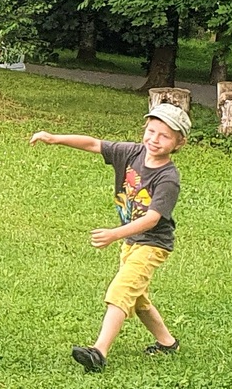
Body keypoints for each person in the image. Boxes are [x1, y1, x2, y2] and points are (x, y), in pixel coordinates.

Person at [30, 102, 190, 373]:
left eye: (164, 136)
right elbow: (94, 144)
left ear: (179, 142)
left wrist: (114, 234)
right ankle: (167, 342)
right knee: (137, 299)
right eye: (151, 131)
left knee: (121, 291)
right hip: (132, 242)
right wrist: (54, 138)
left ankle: (98, 352)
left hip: (152, 244)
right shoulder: (132, 153)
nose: (154, 139)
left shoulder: (168, 178)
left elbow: (152, 219)